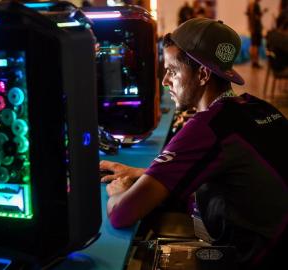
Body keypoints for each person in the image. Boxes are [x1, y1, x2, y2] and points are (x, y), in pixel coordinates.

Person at [100, 18, 288, 269]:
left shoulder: (209, 126)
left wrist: (118, 193)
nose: (166, 80)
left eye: (173, 70)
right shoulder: (255, 107)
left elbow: (122, 214)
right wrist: (143, 175)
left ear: (202, 74)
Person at [246, 0, 268, 68]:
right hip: (256, 29)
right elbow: (257, 17)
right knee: (255, 45)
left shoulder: (250, 5)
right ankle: (255, 62)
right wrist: (264, 11)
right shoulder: (256, 5)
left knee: (253, 45)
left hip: (253, 28)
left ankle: (253, 62)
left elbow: (249, 16)